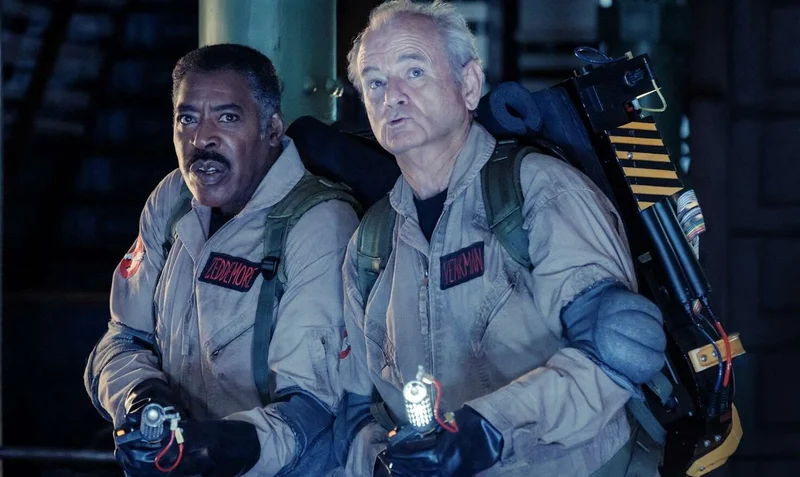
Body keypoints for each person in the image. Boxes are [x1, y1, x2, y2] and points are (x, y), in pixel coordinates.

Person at [334, 1, 667, 476]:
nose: (393, 97)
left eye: (414, 71)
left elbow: (619, 350)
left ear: (469, 85)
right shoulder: (371, 243)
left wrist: (487, 430)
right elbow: (359, 408)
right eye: (375, 83)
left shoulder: (540, 192)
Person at [83, 43, 360, 476]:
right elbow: (121, 341)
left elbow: (312, 411)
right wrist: (140, 394)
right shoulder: (172, 201)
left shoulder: (318, 222)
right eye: (187, 119)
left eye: (227, 118)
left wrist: (220, 447)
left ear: (271, 129)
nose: (201, 139)